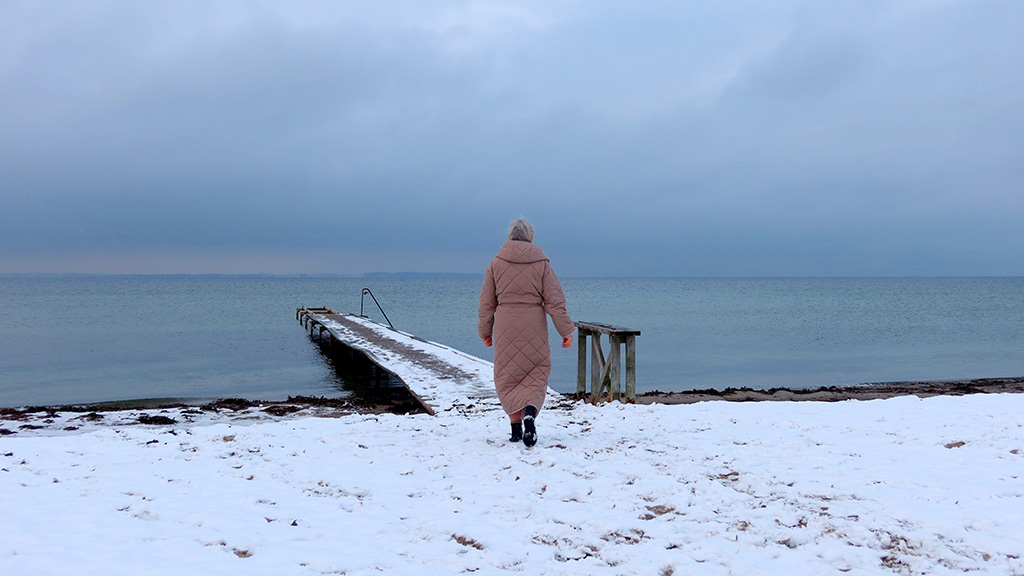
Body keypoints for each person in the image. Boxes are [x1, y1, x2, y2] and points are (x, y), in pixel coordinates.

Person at [478, 219, 575, 447]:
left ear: (510, 236)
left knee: (507, 374)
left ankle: (515, 429)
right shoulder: (542, 263)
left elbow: (486, 303)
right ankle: (530, 413)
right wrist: (566, 330)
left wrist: (485, 331)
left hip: (505, 323)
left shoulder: (496, 263)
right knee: (536, 370)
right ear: (531, 237)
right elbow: (555, 301)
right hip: (534, 322)